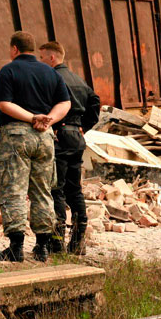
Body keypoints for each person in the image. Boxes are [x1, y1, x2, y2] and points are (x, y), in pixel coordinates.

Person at [0, 32, 71, 263]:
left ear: (14, 49)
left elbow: (4, 104)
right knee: (42, 191)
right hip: (45, 137)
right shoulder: (50, 72)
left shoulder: (8, 71)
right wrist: (48, 119)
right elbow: (65, 102)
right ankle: (42, 247)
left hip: (16, 136)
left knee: (14, 189)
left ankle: (16, 247)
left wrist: (30, 118)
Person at [39, 41, 101, 255]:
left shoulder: (53, 78)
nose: (40, 62)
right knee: (75, 190)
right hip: (76, 137)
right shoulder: (79, 80)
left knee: (56, 188)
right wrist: (84, 127)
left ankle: (56, 243)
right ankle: (77, 242)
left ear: (52, 58)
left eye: (42, 58)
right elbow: (95, 102)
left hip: (59, 135)